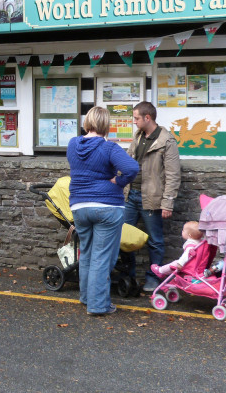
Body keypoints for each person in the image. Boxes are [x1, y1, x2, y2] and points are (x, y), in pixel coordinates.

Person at [67, 106, 139, 316]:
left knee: (87, 252)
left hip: (79, 206)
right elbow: (132, 168)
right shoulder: (109, 148)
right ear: (106, 125)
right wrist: (118, 180)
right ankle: (98, 305)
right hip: (107, 207)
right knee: (102, 256)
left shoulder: (73, 144)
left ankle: (86, 297)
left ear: (87, 122)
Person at [122, 101, 182, 293]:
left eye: (137, 118)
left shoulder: (167, 141)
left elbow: (173, 175)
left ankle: (153, 278)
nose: (134, 121)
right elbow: (127, 160)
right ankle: (127, 277)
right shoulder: (138, 136)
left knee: (155, 241)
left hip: (152, 199)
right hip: (130, 195)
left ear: (148, 118)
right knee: (125, 237)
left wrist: (168, 203)